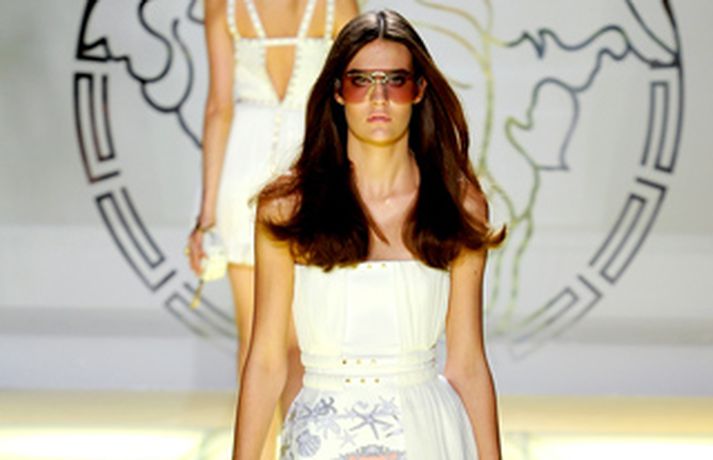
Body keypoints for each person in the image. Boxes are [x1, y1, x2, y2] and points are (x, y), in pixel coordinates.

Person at [234, 9, 505, 460]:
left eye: (395, 81)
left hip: (426, 433)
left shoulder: (459, 206)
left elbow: (468, 363)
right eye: (361, 81)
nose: (379, 98)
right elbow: (265, 360)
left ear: (419, 90)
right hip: (321, 436)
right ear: (338, 91)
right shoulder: (287, 208)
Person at [188, 1, 358, 459]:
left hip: (242, 171)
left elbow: (218, 108)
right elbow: (352, 103)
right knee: (301, 346)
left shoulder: (223, 7)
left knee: (254, 342)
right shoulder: (337, 6)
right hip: (312, 170)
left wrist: (206, 216)